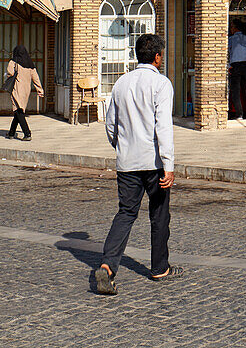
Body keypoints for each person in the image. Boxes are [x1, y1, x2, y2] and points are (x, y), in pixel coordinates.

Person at [95, 33, 182, 295]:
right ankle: (159, 268)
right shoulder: (161, 84)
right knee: (159, 215)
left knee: (125, 214)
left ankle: (108, 266)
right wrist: (169, 163)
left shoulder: (121, 83)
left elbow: (111, 124)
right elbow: (163, 126)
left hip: (127, 162)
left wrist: (120, 146)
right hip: (153, 161)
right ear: (157, 57)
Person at [5, 45, 44, 141]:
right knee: (19, 109)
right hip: (26, 90)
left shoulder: (13, 62)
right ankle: (11, 133)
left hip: (16, 88)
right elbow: (36, 78)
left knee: (19, 111)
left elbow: (10, 73)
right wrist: (40, 90)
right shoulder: (30, 64)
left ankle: (27, 133)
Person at [227, 21, 246, 119]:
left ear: (235, 28)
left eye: (232, 27)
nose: (231, 29)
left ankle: (239, 114)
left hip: (235, 65)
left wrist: (228, 66)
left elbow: (226, 53)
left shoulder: (230, 40)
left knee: (236, 90)